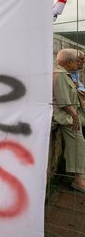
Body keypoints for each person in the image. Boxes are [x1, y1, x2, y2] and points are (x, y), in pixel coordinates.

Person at [53, 49, 85, 193]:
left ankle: (79, 176)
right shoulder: (59, 75)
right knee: (78, 143)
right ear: (68, 62)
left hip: (71, 115)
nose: (79, 63)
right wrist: (75, 116)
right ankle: (78, 179)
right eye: (76, 61)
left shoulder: (65, 75)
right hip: (66, 117)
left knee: (79, 142)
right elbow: (64, 102)